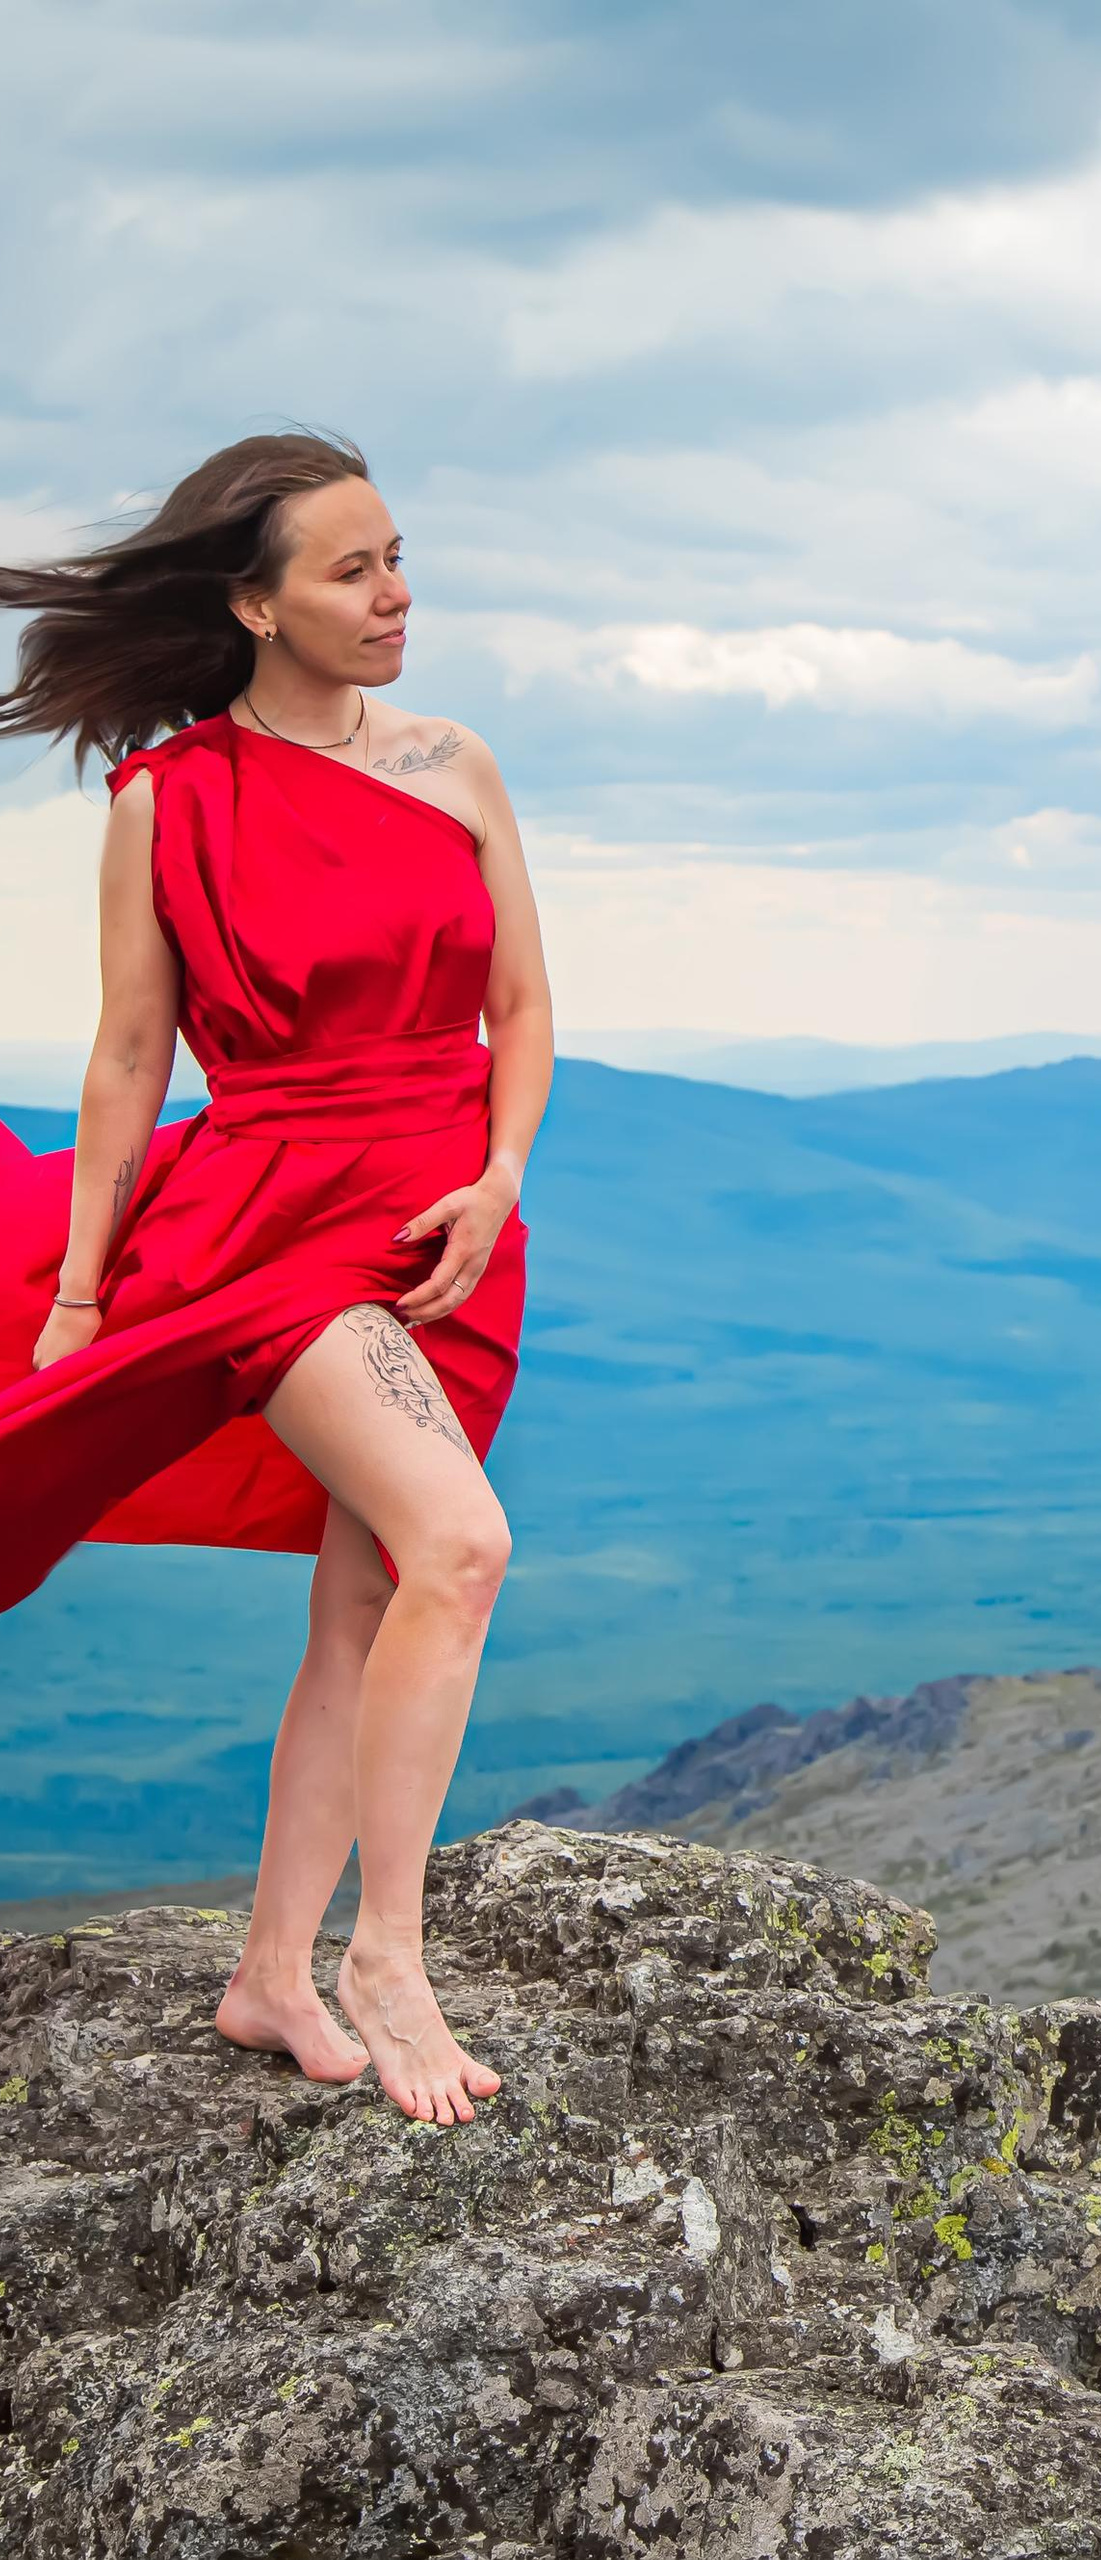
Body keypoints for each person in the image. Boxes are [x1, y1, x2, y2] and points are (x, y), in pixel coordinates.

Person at [0, 431, 553, 2127]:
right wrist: (84, 1295)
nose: (395, 596)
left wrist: (497, 1177)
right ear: (252, 604)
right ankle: (388, 1952)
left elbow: (521, 1010)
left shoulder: (457, 762)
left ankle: (269, 1972)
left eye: (397, 557)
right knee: (462, 1546)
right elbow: (127, 1060)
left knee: (370, 1598)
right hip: (280, 1228)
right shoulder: (170, 799)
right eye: (350, 570)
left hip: (447, 1221)